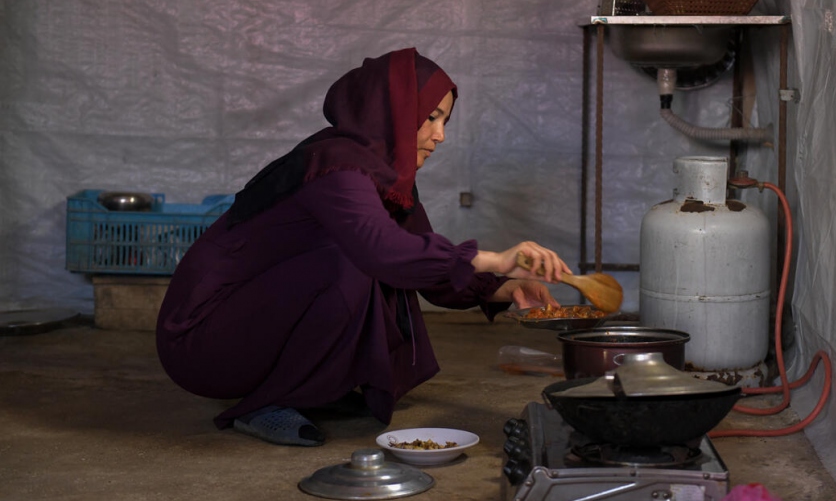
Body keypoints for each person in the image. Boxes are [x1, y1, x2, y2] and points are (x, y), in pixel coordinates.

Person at [155, 47, 572, 447]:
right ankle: (265, 402)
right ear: (394, 112)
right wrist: (498, 258)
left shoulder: (385, 176)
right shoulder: (337, 166)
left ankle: (309, 385)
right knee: (359, 261)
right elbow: (385, 251)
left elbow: (423, 259)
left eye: (445, 121)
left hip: (249, 324)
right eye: (430, 117)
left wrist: (502, 287)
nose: (440, 135)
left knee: (383, 257)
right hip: (202, 340)